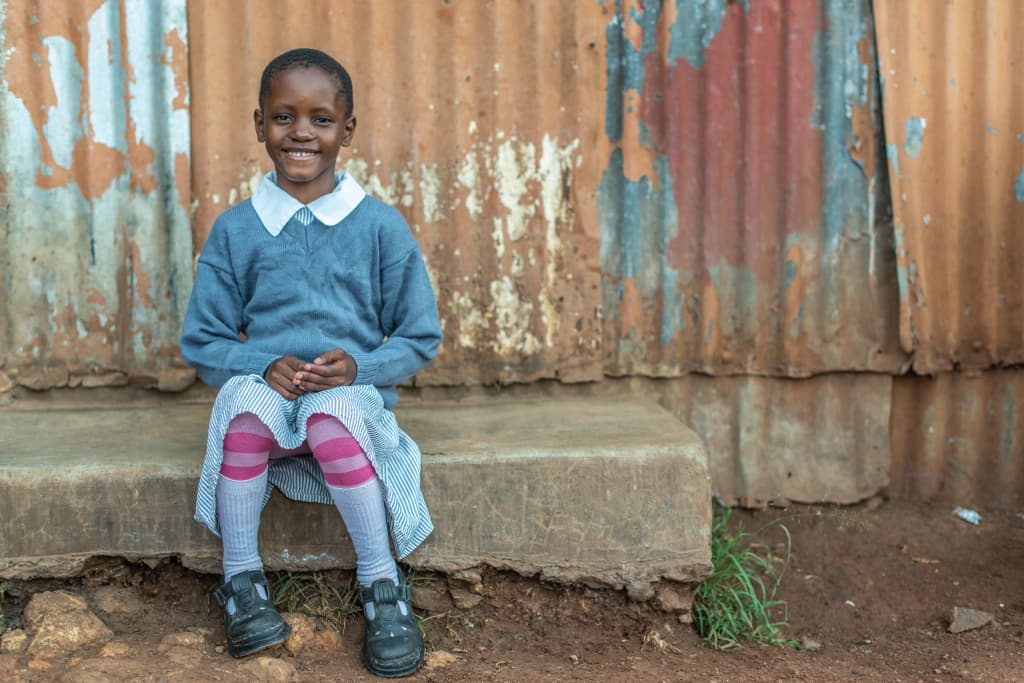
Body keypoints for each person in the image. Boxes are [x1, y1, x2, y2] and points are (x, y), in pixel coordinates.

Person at [180, 47, 441, 678]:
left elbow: (419, 337)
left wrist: (359, 368)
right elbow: (203, 339)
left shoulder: (380, 227)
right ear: (258, 124)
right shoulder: (236, 230)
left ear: (346, 131)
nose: (301, 132)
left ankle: (382, 587)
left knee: (330, 414)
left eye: (321, 119)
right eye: (284, 117)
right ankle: (242, 584)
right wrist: (262, 362)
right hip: (271, 395)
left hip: (347, 398)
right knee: (242, 409)